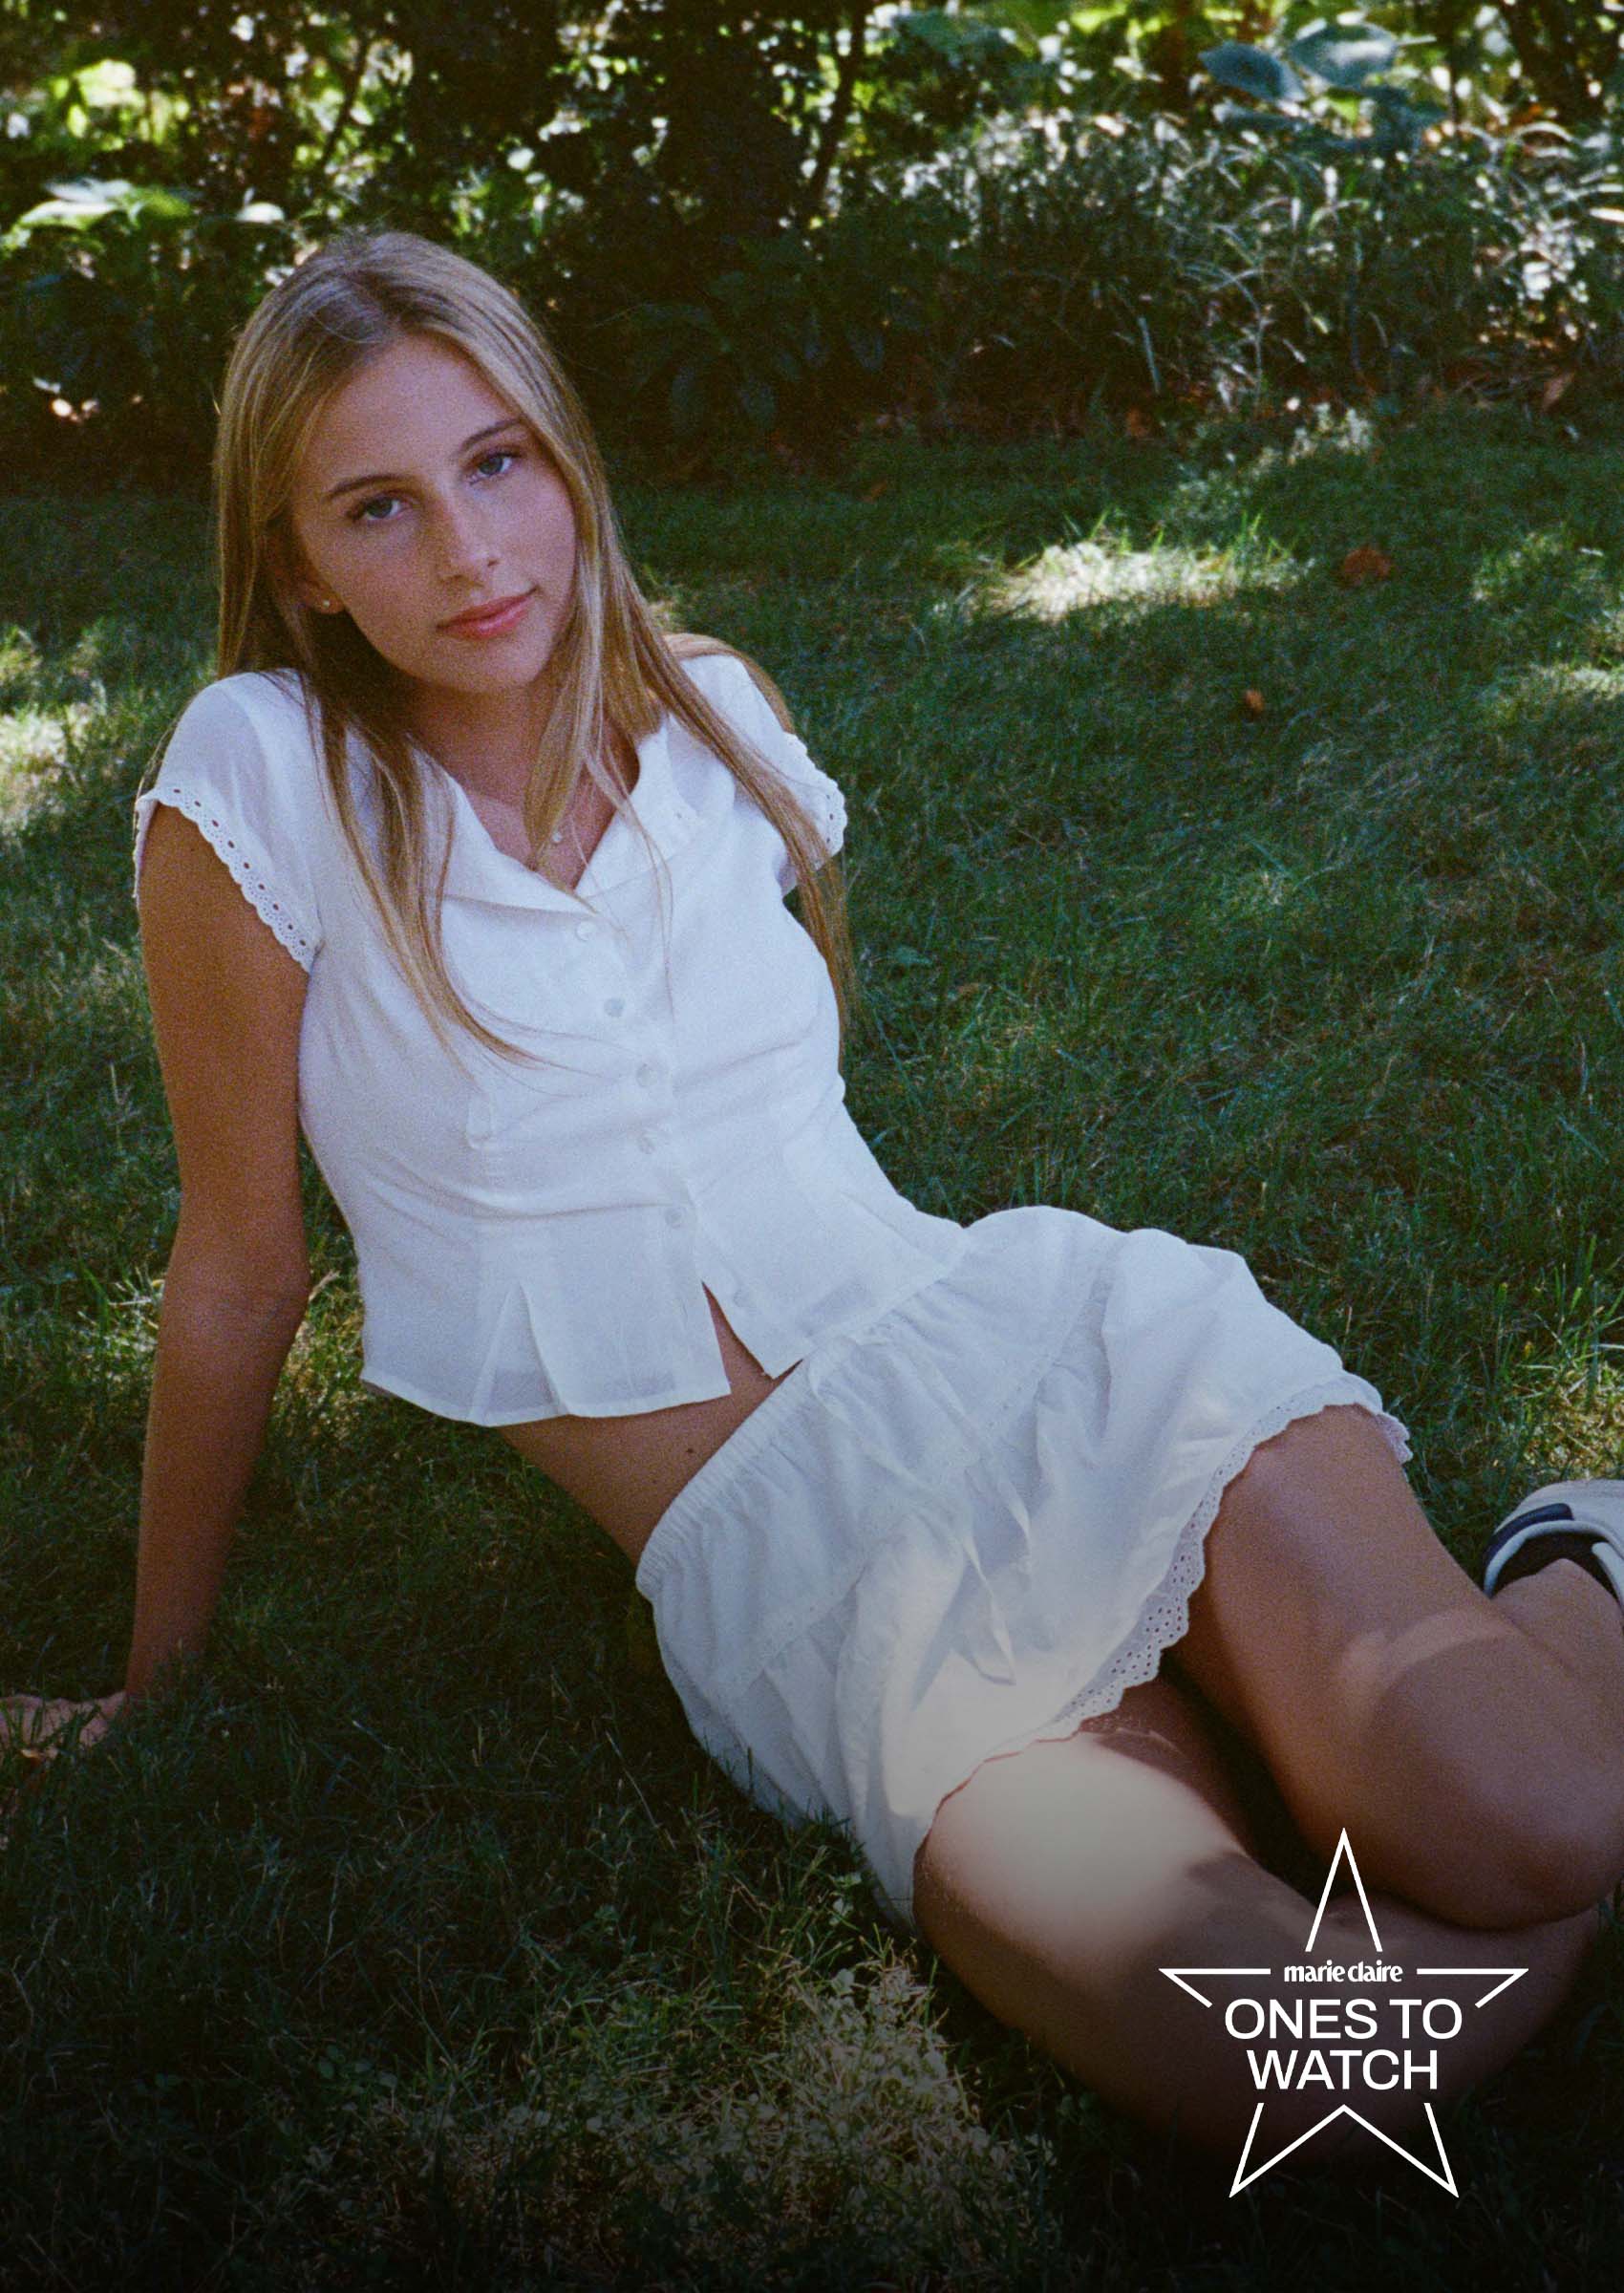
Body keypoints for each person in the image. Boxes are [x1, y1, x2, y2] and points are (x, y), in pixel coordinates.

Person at [6, 228, 1624, 2168]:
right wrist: (150, 1683)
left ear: (568, 459)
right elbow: (239, 1266)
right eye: (380, 505)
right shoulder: (259, 778)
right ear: (296, 568)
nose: (467, 551)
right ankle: (1408, 1778)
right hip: (807, 1580)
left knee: (1540, 1825)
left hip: (1052, 1360)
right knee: (1296, 2061)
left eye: (500, 461)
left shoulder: (708, 706)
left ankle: (1576, 1568)